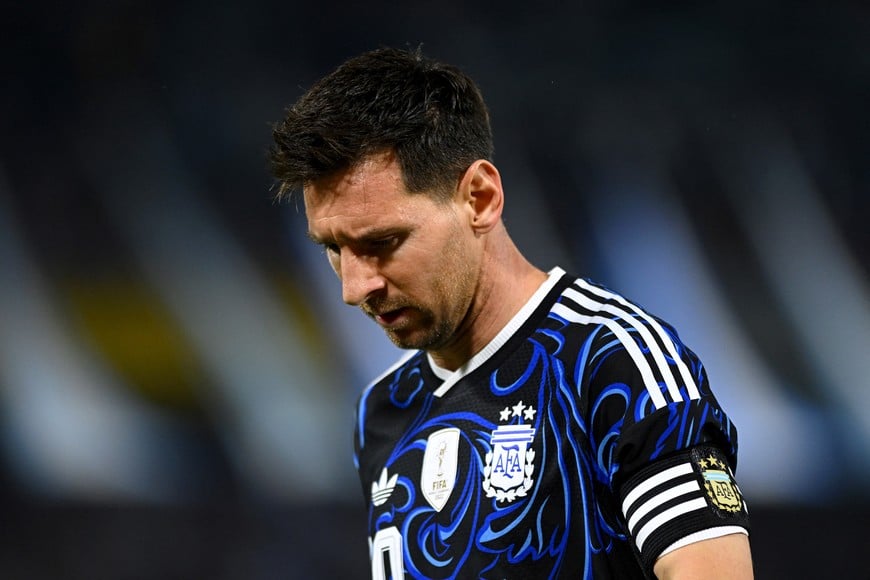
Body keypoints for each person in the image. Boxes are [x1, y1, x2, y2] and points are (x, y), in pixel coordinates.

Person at [270, 46, 753, 579]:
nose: (355, 287)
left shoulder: (613, 364)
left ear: (479, 198)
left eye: (383, 241)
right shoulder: (383, 411)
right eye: (333, 249)